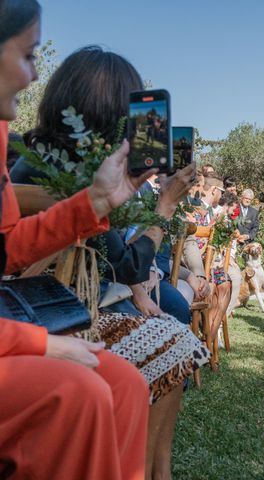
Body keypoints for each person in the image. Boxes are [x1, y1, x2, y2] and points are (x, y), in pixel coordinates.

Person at [12, 45, 210, 478]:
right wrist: (165, 204)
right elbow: (127, 266)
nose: (140, 131)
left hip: (67, 304)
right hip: (53, 311)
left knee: (173, 324)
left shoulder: (43, 160)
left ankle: (155, 469)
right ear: (108, 115)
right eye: (134, 116)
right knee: (174, 330)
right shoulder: (63, 176)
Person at [0, 2, 149, 478]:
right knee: (79, 391)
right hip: (28, 321)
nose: (31, 76)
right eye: (27, 55)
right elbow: (126, 267)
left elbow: (7, 248)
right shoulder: (36, 163)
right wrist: (37, 344)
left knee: (124, 383)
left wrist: (97, 204)